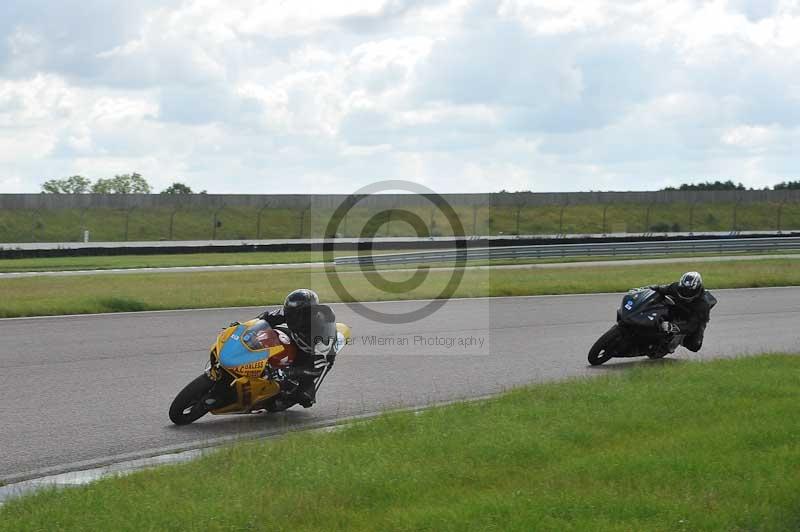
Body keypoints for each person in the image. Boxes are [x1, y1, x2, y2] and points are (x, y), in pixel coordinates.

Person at [257, 289, 337, 407]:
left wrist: (289, 372)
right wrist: (243, 326)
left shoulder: (322, 333)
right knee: (266, 335)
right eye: (289, 313)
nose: (291, 318)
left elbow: (317, 368)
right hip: (296, 337)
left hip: (314, 354)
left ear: (308, 314)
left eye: (295, 315)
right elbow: (264, 319)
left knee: (304, 396)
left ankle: (303, 390)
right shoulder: (290, 312)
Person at [650, 271, 712, 352]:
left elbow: (692, 326)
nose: (686, 292)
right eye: (683, 289)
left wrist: (672, 327)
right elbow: (659, 289)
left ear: (698, 289)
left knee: (695, 345)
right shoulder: (675, 287)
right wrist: (646, 289)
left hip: (693, 317)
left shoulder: (702, 304)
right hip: (677, 308)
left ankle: (679, 339)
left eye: (689, 291)